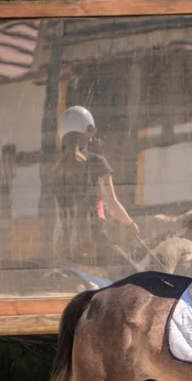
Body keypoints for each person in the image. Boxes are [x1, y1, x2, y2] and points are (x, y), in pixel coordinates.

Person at [40, 105, 138, 271]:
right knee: (127, 275)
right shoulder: (97, 162)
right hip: (94, 241)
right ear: (89, 130)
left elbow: (58, 213)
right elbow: (112, 204)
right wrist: (130, 224)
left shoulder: (55, 169)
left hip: (63, 246)